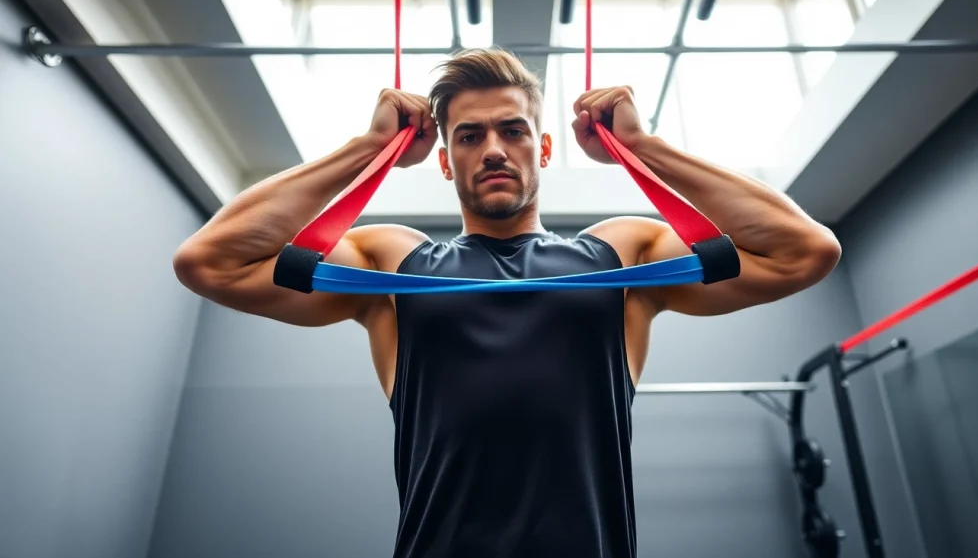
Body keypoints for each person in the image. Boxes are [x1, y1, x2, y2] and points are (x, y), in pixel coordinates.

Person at [173, 48, 842, 558]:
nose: (493, 149)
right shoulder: (392, 267)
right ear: (445, 162)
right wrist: (367, 151)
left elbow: (803, 251)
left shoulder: (622, 259)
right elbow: (210, 262)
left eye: (513, 130)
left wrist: (644, 149)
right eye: (469, 136)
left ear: (542, 148)